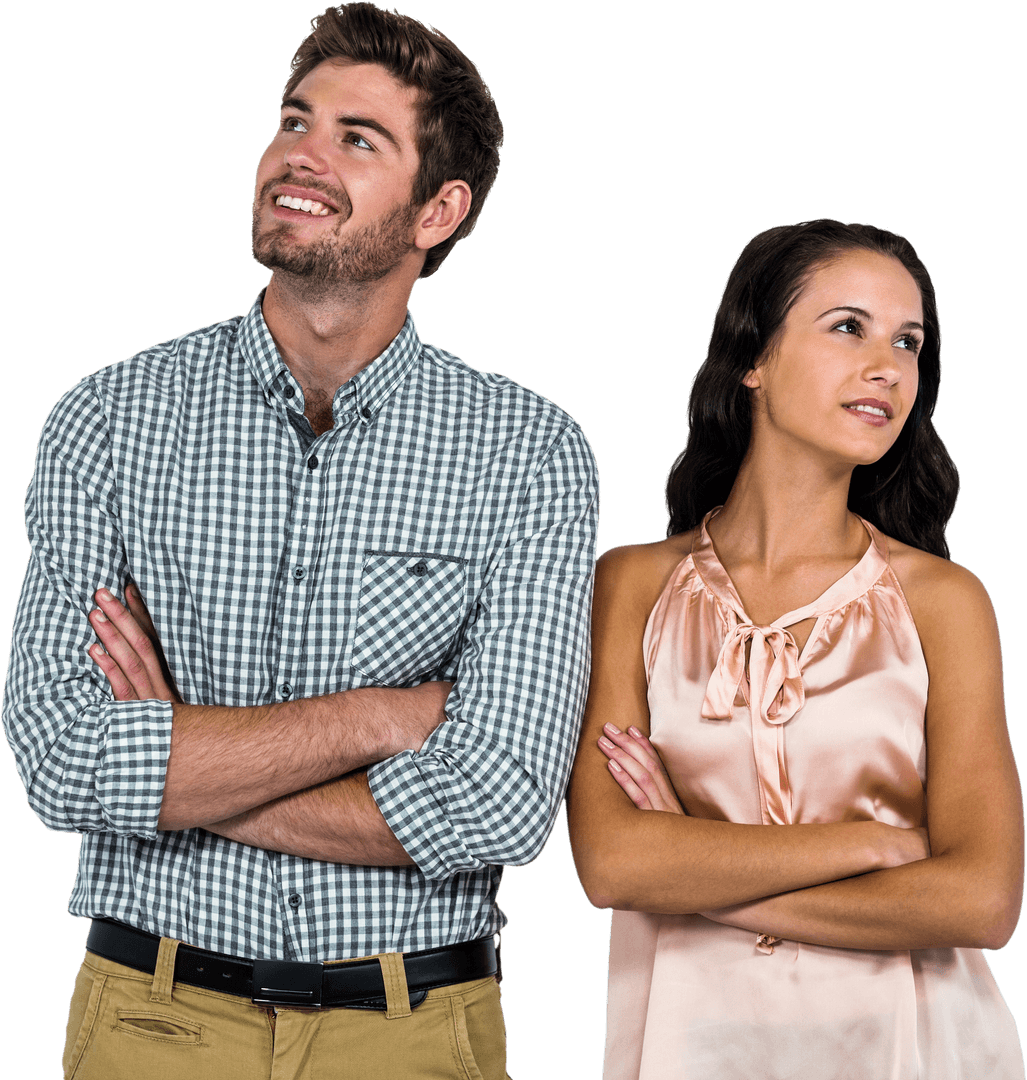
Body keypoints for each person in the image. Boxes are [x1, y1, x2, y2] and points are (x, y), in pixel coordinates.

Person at [1, 4, 599, 1078]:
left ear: (439, 208)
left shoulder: (530, 452)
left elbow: (501, 799)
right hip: (150, 1021)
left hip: (414, 1030)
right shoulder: (107, 416)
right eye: (293, 120)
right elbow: (57, 757)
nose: (299, 155)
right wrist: (379, 717)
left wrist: (181, 758)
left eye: (356, 138)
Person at [567, 219, 1024, 1079]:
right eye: (847, 326)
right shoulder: (629, 586)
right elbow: (614, 863)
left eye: (908, 341)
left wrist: (695, 862)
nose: (887, 365)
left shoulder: (942, 602)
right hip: (689, 1049)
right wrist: (877, 843)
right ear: (753, 357)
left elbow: (981, 901)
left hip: (917, 1050)